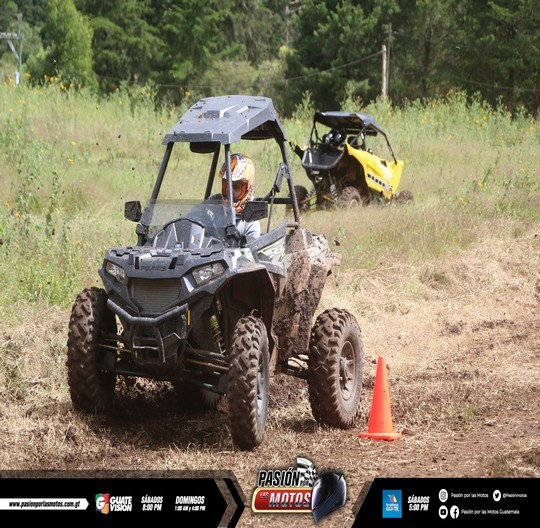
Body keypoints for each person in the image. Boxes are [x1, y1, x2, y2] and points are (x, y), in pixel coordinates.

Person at [219, 153, 261, 239]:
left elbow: (253, 249)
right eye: (227, 186)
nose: (230, 192)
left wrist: (239, 240)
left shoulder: (251, 221)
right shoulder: (214, 204)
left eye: (236, 187)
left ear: (248, 189)